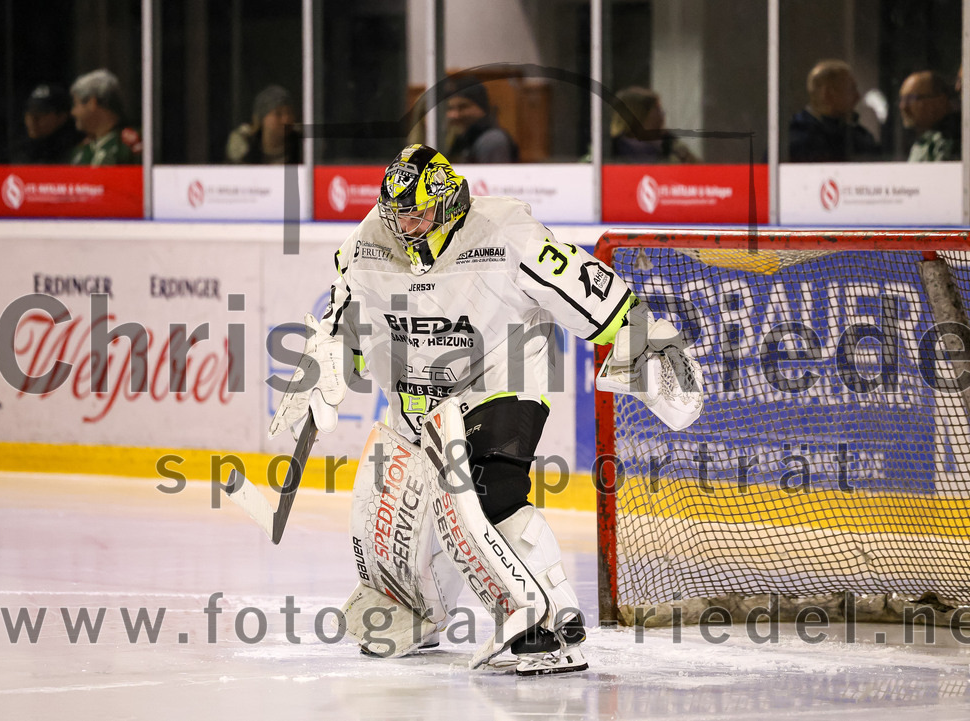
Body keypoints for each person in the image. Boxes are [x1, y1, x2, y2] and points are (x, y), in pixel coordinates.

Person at [268, 144, 704, 676]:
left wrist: (639, 335)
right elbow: (343, 325)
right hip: (412, 399)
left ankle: (544, 616)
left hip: (502, 375)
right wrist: (325, 366)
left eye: (420, 212)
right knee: (383, 524)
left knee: (486, 486)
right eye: (397, 212)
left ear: (450, 203)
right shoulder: (364, 245)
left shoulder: (506, 232)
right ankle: (423, 611)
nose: (407, 225)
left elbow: (586, 289)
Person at [788, 60, 880, 162]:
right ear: (827, 94)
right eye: (850, 89)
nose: (857, 97)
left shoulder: (860, 137)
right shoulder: (793, 140)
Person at [69, 69, 141, 166]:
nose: (73, 112)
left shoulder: (130, 145)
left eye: (75, 104)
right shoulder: (81, 151)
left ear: (92, 103)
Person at [610, 86, 698, 163]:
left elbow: (697, 173)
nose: (663, 113)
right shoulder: (609, 147)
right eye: (657, 108)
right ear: (639, 114)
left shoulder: (672, 145)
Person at [444, 75, 519, 163]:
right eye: (450, 108)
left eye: (464, 107)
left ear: (482, 108)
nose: (455, 115)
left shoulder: (491, 140)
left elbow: (495, 175)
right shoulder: (465, 140)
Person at [10, 84, 85, 164]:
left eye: (41, 113)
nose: (33, 119)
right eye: (29, 112)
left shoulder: (76, 154)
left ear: (61, 117)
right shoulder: (21, 151)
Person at [227, 85, 302, 164]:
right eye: (278, 114)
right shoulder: (245, 146)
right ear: (261, 119)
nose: (286, 120)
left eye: (289, 113)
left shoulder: (302, 145)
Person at [899, 71, 960, 162]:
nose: (903, 107)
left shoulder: (951, 140)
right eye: (902, 99)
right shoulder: (920, 141)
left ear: (940, 102)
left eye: (911, 98)